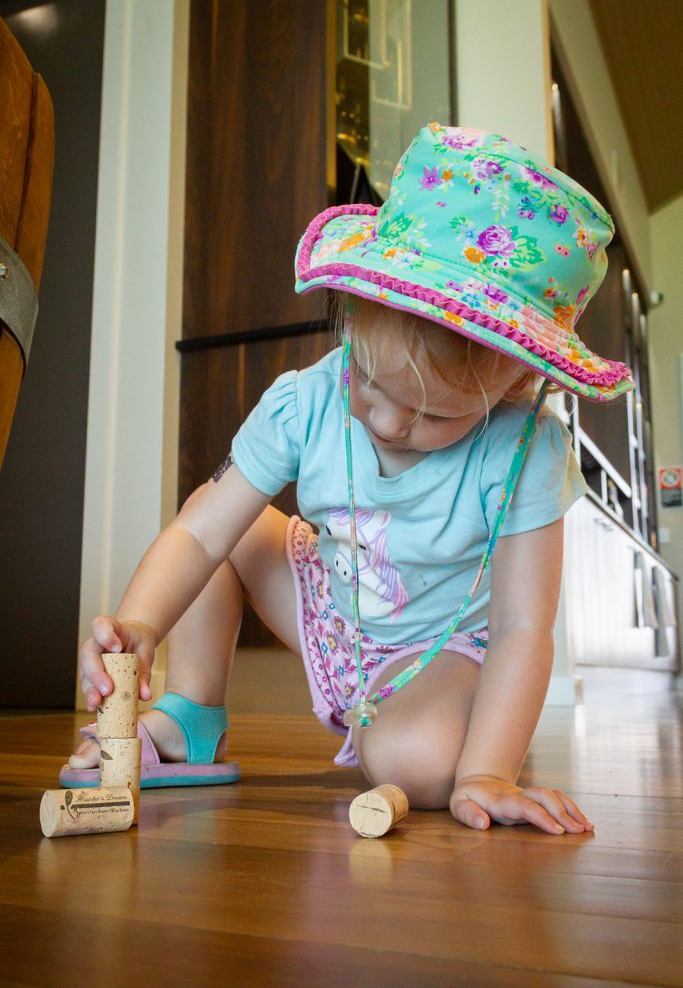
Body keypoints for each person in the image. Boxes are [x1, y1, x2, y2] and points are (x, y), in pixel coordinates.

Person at [61, 123, 633, 832]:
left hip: (438, 648)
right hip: (334, 614)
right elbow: (200, 533)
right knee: (224, 521)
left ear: (516, 383)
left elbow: (522, 627)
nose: (388, 424)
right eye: (366, 380)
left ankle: (436, 730)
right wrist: (141, 622)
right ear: (351, 315)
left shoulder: (523, 451)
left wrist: (487, 770)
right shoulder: (305, 400)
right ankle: (192, 715)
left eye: (431, 415)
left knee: (418, 765)